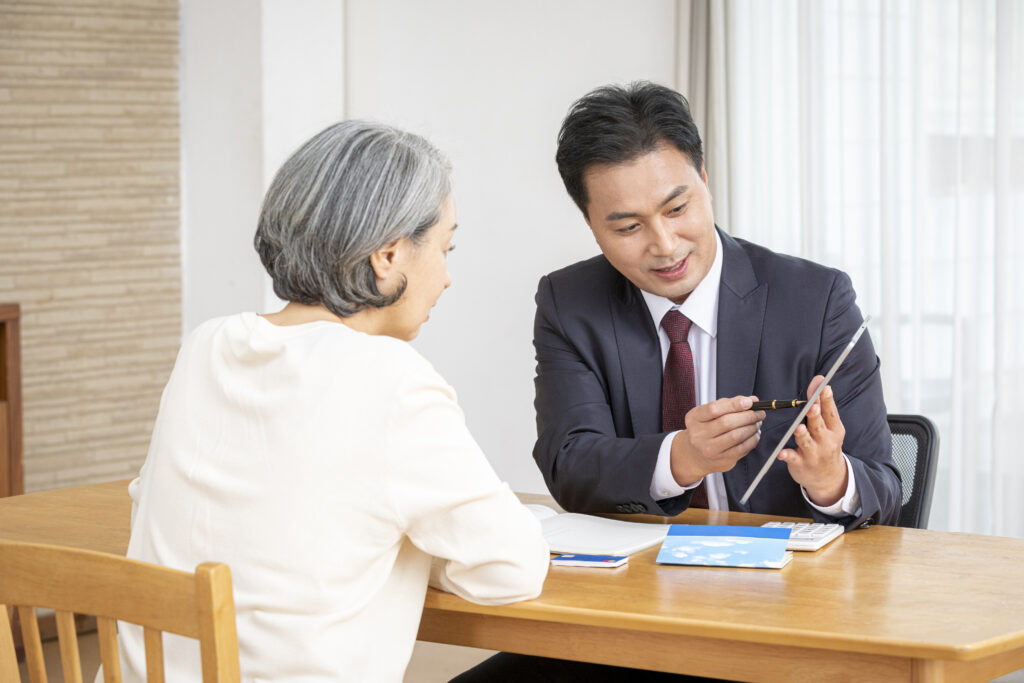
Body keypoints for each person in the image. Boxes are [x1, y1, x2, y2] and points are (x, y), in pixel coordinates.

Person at [118, 120, 549, 682]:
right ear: (389, 255)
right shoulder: (390, 377)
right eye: (445, 248)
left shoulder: (207, 345)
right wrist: (411, 551)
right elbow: (510, 569)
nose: (446, 277)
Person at [533, 81, 901, 529]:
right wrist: (682, 458)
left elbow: (885, 489)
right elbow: (570, 466)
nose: (665, 246)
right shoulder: (570, 303)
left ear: (704, 181)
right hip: (641, 584)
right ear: (590, 222)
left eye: (677, 209)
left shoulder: (818, 301)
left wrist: (831, 479)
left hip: (794, 587)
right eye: (629, 227)